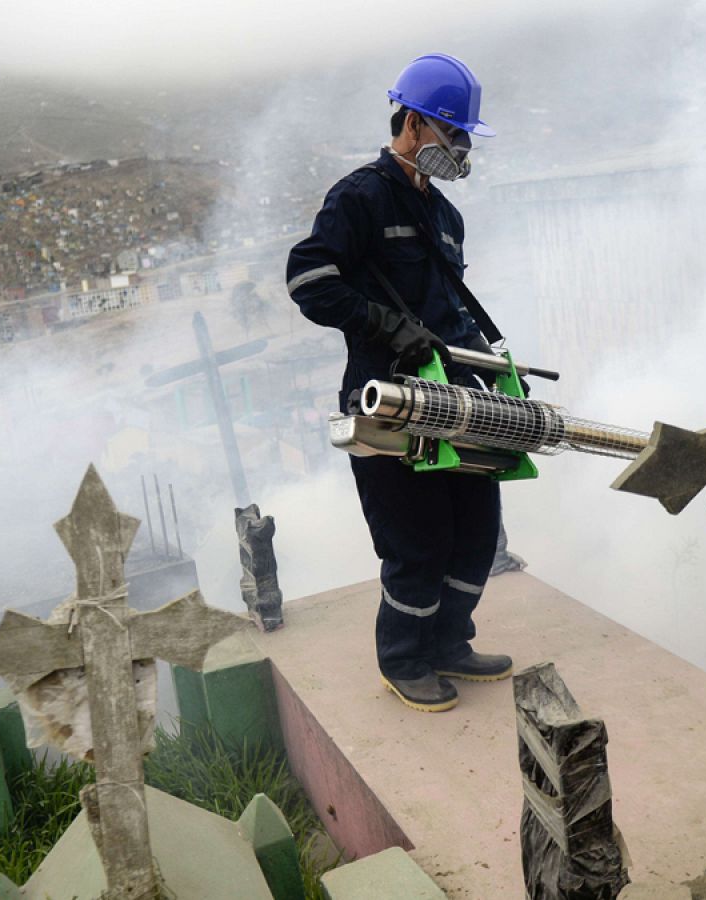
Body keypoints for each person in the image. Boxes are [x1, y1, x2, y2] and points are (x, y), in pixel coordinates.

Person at [285, 53, 512, 712]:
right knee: (414, 539)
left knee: (474, 526)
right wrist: (386, 325)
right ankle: (404, 658)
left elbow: (448, 310)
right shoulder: (360, 197)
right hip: (385, 399)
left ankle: (448, 643)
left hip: (454, 398)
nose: (462, 149)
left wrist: (483, 368)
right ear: (413, 123)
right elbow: (308, 279)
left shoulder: (444, 216)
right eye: (453, 134)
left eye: (467, 138)